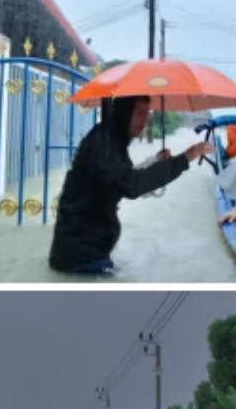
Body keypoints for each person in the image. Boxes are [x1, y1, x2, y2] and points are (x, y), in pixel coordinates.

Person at [48, 96, 211, 276]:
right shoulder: (105, 142)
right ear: (124, 113)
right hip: (81, 258)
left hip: (86, 251)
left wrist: (156, 161)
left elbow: (121, 178)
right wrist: (186, 157)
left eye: (147, 113)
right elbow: (131, 185)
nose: (145, 120)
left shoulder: (111, 138)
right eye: (140, 113)